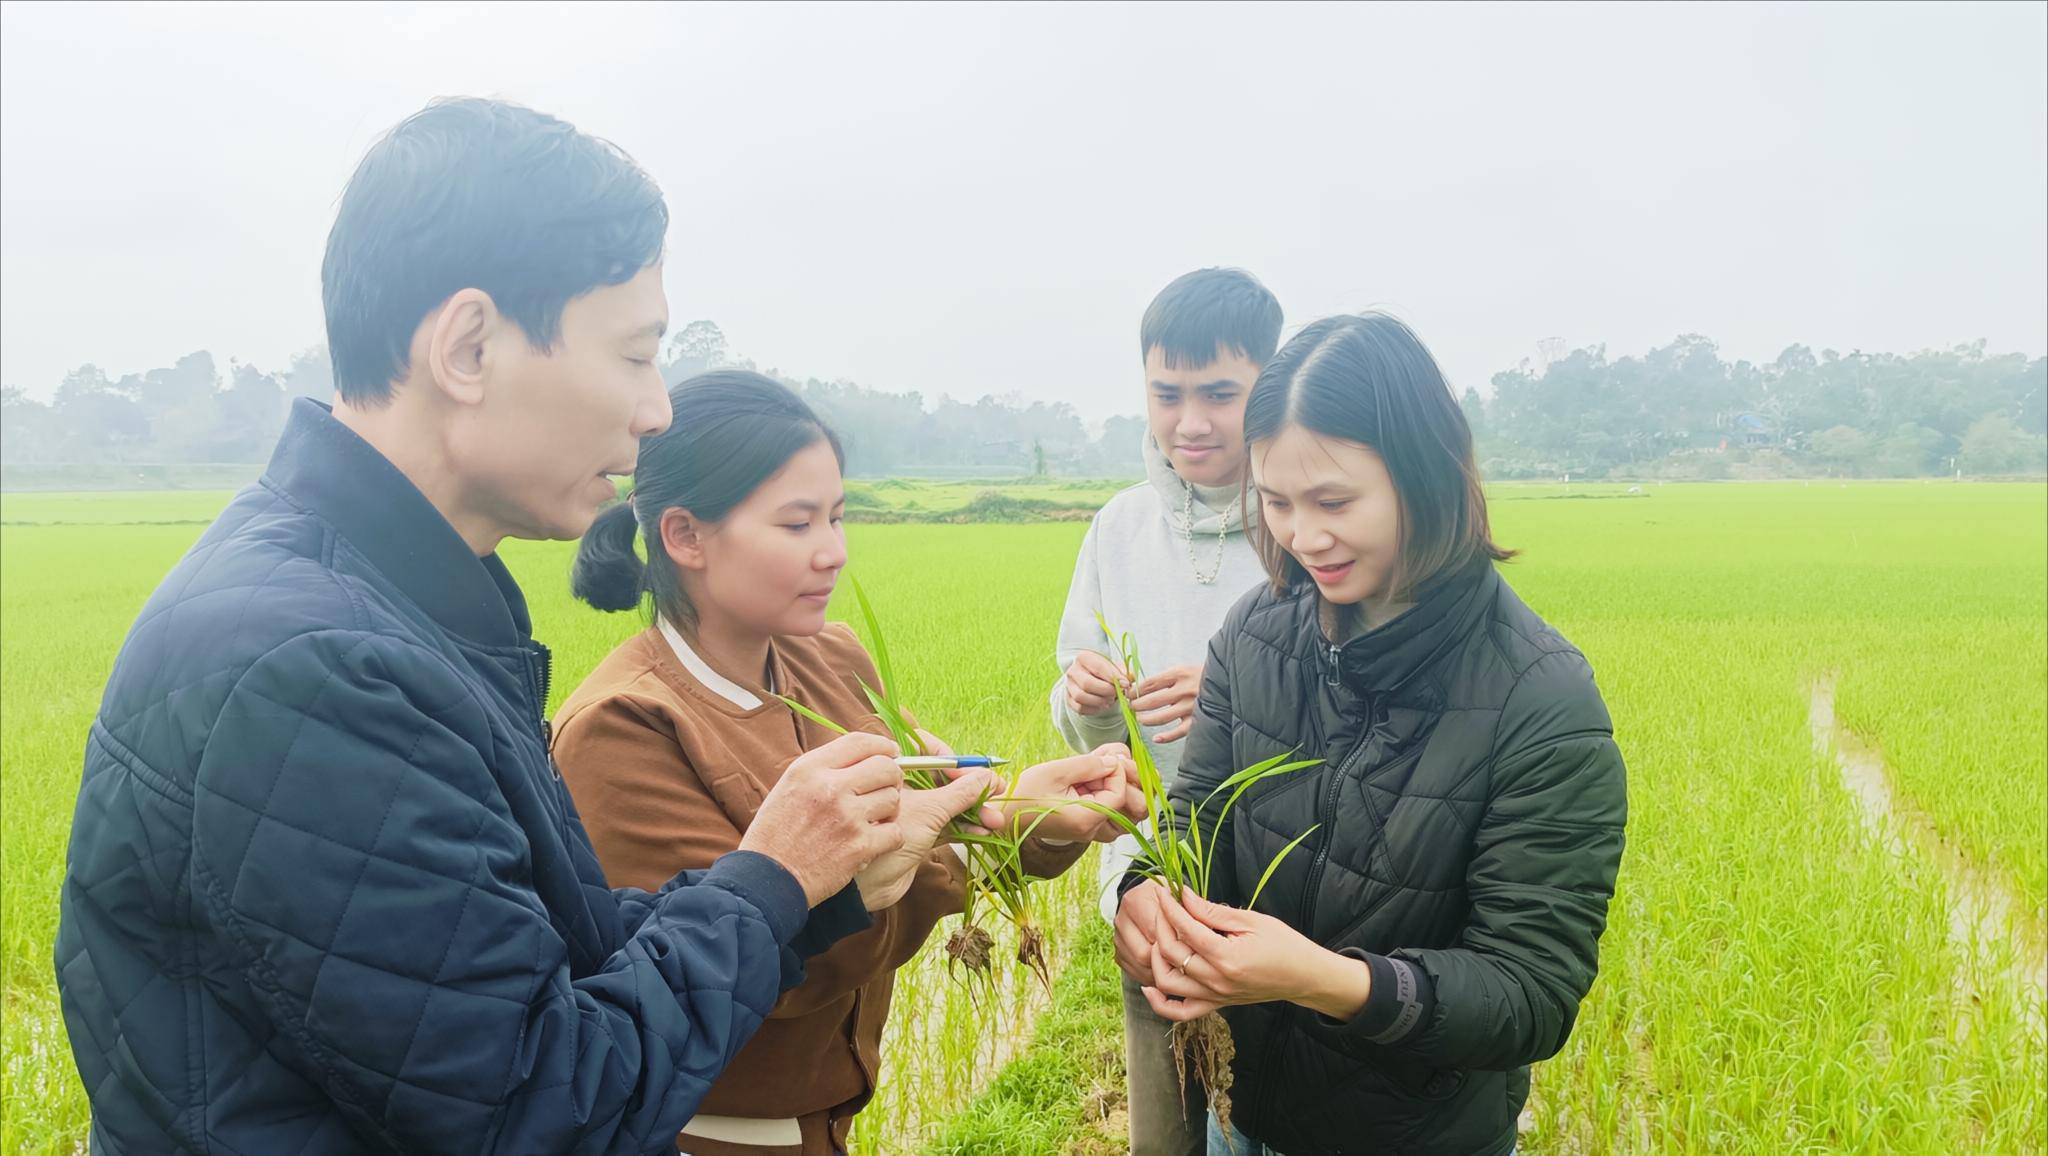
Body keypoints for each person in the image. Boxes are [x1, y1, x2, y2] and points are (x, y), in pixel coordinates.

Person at [53, 99, 925, 1156]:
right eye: (636, 355)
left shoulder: (391, 607)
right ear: (468, 347)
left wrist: (804, 893)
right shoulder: (316, 672)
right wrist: (769, 880)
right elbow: (532, 1105)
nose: (655, 411)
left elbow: (540, 969)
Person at [555, 369, 1142, 1155]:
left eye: (837, 516)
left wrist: (1033, 811)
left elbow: (939, 813)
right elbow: (753, 969)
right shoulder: (624, 726)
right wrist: (958, 837)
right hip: (716, 1137)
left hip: (830, 1122)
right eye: (797, 525)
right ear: (685, 535)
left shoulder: (828, 657)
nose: (834, 552)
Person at [1115, 313, 1628, 1156]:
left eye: (1335, 502)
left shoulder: (1541, 701)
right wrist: (1145, 888)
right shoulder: (1256, 635)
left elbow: (1530, 992)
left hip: (1418, 1134)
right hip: (1244, 1112)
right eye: (1276, 502)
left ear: (1424, 477)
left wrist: (1324, 981)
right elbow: (1194, 814)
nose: (1302, 537)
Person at [1047, 266, 1282, 1154]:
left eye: (1221, 394)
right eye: (1167, 394)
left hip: (1289, 887)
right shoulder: (1118, 528)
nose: (1191, 422)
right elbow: (1085, 737)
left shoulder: (1302, 525)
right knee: (1171, 1134)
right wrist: (1088, 700)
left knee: (1273, 1116)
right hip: (1153, 885)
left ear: (1270, 384)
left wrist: (1233, 699)